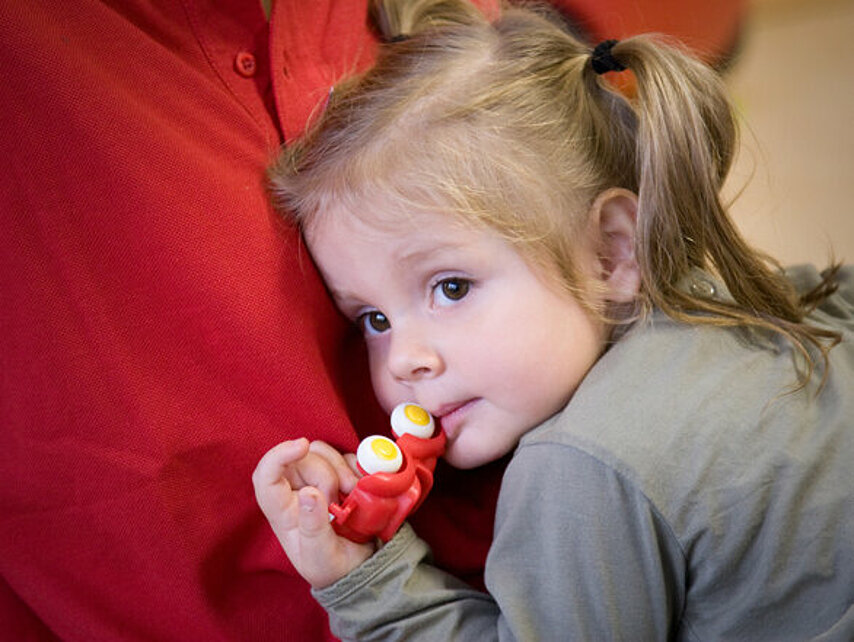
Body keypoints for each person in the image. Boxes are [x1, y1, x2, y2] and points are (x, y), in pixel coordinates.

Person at [253, 0, 854, 639]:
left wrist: (366, 580)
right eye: (373, 319)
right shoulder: (780, 301)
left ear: (611, 251)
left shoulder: (579, 468)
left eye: (450, 286)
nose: (403, 359)